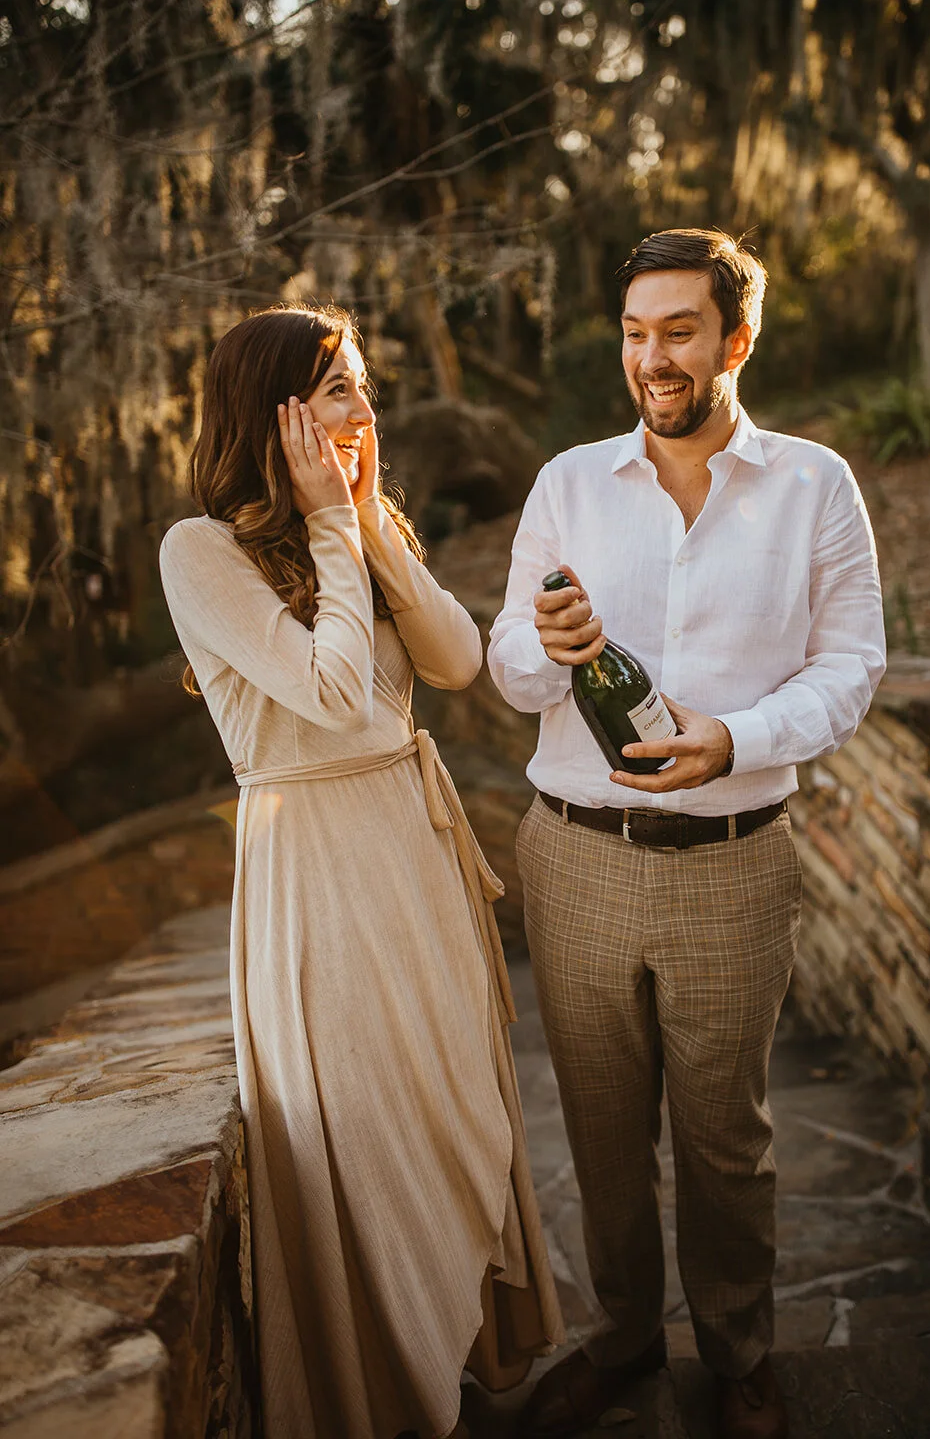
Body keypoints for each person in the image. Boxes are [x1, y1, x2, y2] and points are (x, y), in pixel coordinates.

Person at [487, 229, 886, 1439]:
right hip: (574, 855)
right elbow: (508, 667)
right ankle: (621, 1341)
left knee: (726, 1141)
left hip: (733, 862)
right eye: (633, 331)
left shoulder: (814, 485)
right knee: (601, 1134)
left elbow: (851, 666)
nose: (650, 357)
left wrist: (738, 738)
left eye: (677, 330)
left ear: (734, 339)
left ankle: (738, 1353)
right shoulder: (567, 482)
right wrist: (544, 650)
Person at [159, 303, 563, 1439]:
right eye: (338, 387)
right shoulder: (200, 552)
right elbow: (333, 693)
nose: (363, 408)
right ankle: (389, 1397)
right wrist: (337, 527)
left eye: (362, 387)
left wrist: (370, 527)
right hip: (318, 871)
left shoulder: (354, 532)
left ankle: (463, 1363)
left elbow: (458, 659)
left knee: (450, 1106)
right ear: (273, 407)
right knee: (370, 1131)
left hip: (415, 852)